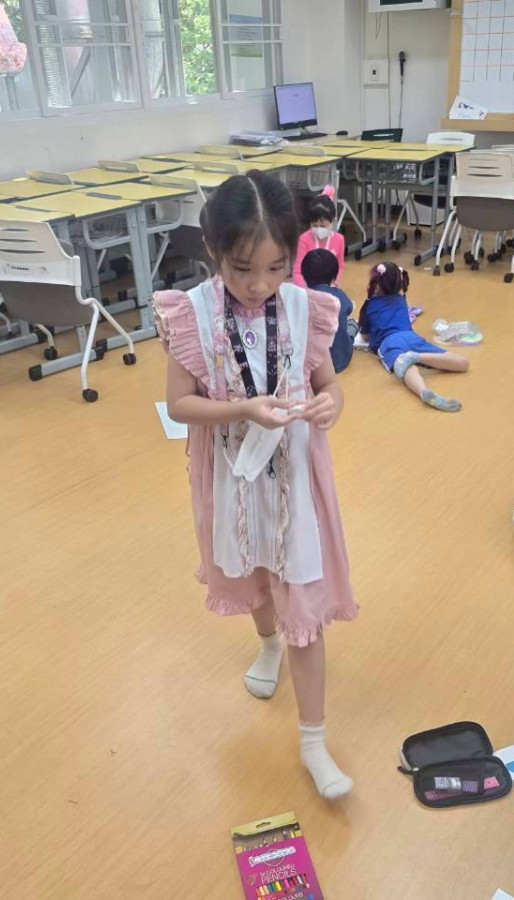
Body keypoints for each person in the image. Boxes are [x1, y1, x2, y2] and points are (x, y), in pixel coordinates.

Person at [152, 171, 357, 799]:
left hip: (295, 477)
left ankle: (314, 741)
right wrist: (242, 409)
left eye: (275, 267)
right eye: (243, 268)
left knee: (303, 602)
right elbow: (179, 405)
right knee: (254, 572)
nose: (260, 284)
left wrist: (330, 404)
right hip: (231, 475)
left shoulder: (303, 306)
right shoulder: (191, 313)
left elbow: (329, 385)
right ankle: (266, 645)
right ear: (213, 250)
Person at [358, 261, 469, 412]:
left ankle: (423, 391)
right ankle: (417, 357)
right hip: (412, 337)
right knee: (463, 363)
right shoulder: (401, 299)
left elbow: (364, 336)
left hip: (389, 342)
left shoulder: (369, 305)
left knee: (407, 369)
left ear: (376, 284)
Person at [300, 248, 355, 374]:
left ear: (304, 276)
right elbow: (349, 308)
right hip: (342, 358)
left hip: (311, 365)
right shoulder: (339, 294)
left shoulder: (301, 298)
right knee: (351, 323)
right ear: (334, 276)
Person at [291, 187, 345, 288]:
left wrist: (334, 284)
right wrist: (306, 289)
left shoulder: (339, 239)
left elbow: (340, 267)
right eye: (314, 225)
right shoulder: (304, 240)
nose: (319, 228)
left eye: (323, 226)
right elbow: (297, 271)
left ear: (332, 222)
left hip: (330, 286)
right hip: (306, 287)